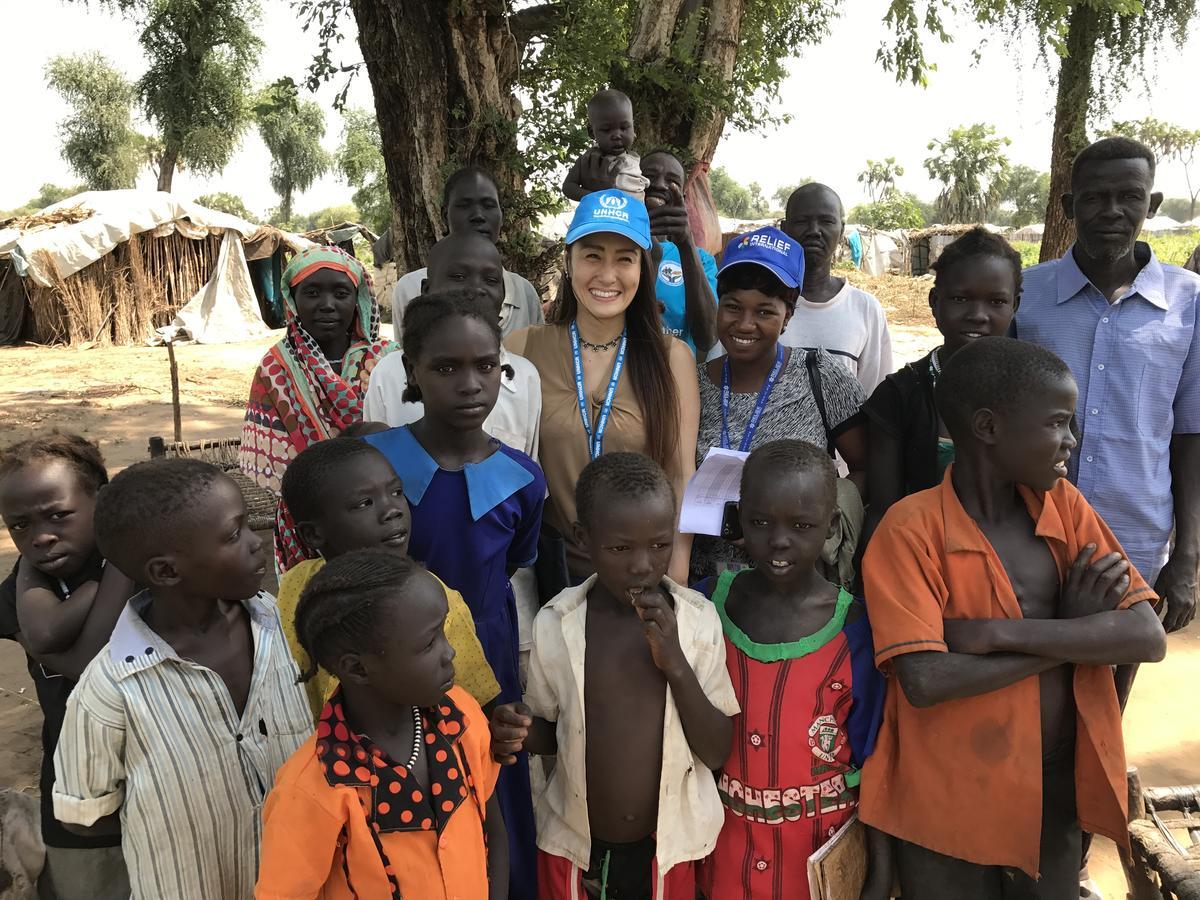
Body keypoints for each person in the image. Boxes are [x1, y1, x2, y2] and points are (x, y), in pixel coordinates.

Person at [859, 337, 1166, 898]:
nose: (1071, 441)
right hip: (946, 794)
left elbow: (1146, 635)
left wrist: (992, 634)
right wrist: (1074, 634)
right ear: (988, 426)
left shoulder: (1064, 507)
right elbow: (927, 680)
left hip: (1053, 782)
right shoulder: (911, 530)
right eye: (1057, 424)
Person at [52, 458, 313, 899]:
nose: (256, 544)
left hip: (304, 883)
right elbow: (83, 813)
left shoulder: (282, 624)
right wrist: (179, 817)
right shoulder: (113, 688)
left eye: (249, 527)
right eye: (233, 535)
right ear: (167, 572)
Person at [489, 453, 739, 899]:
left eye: (660, 545)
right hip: (575, 846)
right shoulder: (557, 622)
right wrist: (520, 730)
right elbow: (552, 732)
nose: (643, 565)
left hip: (668, 851)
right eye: (621, 548)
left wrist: (675, 664)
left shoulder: (698, 623)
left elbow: (717, 750)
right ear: (584, 539)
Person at [365, 291, 546, 900]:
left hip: (487, 661)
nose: (470, 384)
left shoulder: (522, 478)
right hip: (390, 658)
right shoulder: (373, 463)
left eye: (485, 366)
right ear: (411, 370)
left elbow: (517, 558)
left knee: (490, 784)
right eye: (446, 368)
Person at [1015, 137, 1199, 641]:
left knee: (1114, 688)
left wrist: (1187, 557)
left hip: (1135, 535)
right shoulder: (1025, 296)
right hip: (1030, 529)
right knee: (1031, 679)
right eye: (1095, 198)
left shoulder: (1190, 302)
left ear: (1152, 205)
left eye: (1130, 196)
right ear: (1070, 206)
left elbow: (1189, 434)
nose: (1113, 211)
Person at [694, 440, 889, 900]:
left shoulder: (856, 632)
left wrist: (879, 875)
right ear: (740, 519)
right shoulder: (702, 607)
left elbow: (874, 761)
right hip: (720, 854)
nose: (779, 541)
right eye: (760, 523)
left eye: (802, 525)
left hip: (817, 864)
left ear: (832, 527)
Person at [256, 550, 508, 899]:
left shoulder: (461, 721)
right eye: (429, 643)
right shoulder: (312, 790)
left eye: (443, 632)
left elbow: (492, 829)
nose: (449, 653)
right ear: (357, 669)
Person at [506, 189, 701, 585]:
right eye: (592, 255)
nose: (607, 276)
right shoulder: (522, 347)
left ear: (642, 269)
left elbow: (681, 475)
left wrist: (675, 581)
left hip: (642, 575)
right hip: (551, 576)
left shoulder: (671, 357)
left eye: (624, 259)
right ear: (569, 261)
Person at [275, 436, 501, 720]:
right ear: (312, 534)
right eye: (364, 503)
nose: (392, 510)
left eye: (396, 492)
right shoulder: (296, 585)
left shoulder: (433, 600)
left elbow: (474, 702)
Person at [691, 226, 867, 584]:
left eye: (765, 312)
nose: (745, 324)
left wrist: (800, 520)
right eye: (733, 307)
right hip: (704, 586)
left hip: (795, 585)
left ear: (788, 315)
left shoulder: (820, 375)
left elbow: (869, 469)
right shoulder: (692, 385)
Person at [0, 433, 132, 900]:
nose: (41, 536)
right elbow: (58, 645)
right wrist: (107, 583)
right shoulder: (24, 585)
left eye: (59, 515)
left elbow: (71, 651)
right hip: (77, 800)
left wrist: (118, 569)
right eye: (19, 526)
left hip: (160, 783)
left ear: (102, 499)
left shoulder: (150, 565)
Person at [239, 245, 394, 571]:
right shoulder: (276, 367)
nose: (327, 305)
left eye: (340, 293)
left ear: (358, 299)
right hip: (311, 520)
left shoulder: (389, 359)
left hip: (384, 508)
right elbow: (280, 463)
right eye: (312, 293)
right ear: (293, 301)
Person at [864, 227, 1022, 539]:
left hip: (1014, 572)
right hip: (918, 563)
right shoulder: (899, 396)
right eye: (961, 298)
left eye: (996, 301)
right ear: (935, 301)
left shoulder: (1036, 393)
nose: (978, 315)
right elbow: (884, 510)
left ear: (1015, 304)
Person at [367, 231, 542, 456]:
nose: (476, 289)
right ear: (426, 290)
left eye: (491, 280)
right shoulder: (387, 377)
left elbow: (527, 469)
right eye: (459, 276)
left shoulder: (526, 377)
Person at [392, 166, 545, 337]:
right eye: (464, 206)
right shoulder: (409, 288)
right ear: (445, 215)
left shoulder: (524, 293)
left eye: (489, 205)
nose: (478, 215)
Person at [780, 183, 893, 392]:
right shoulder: (760, 304)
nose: (814, 231)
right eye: (802, 221)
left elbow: (875, 395)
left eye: (826, 221)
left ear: (841, 231)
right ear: (784, 230)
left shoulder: (866, 309)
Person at [641, 149, 719, 356]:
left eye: (672, 181)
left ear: (683, 198)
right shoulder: (614, 245)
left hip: (676, 380)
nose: (659, 185)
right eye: (649, 176)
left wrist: (686, 243)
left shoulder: (702, 260)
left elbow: (708, 337)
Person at [562, 88, 650, 203]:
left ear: (634, 128)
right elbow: (568, 187)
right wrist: (596, 198)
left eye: (624, 128)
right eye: (606, 129)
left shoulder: (637, 160)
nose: (617, 135)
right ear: (591, 132)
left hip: (632, 217)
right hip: (600, 215)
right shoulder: (587, 159)